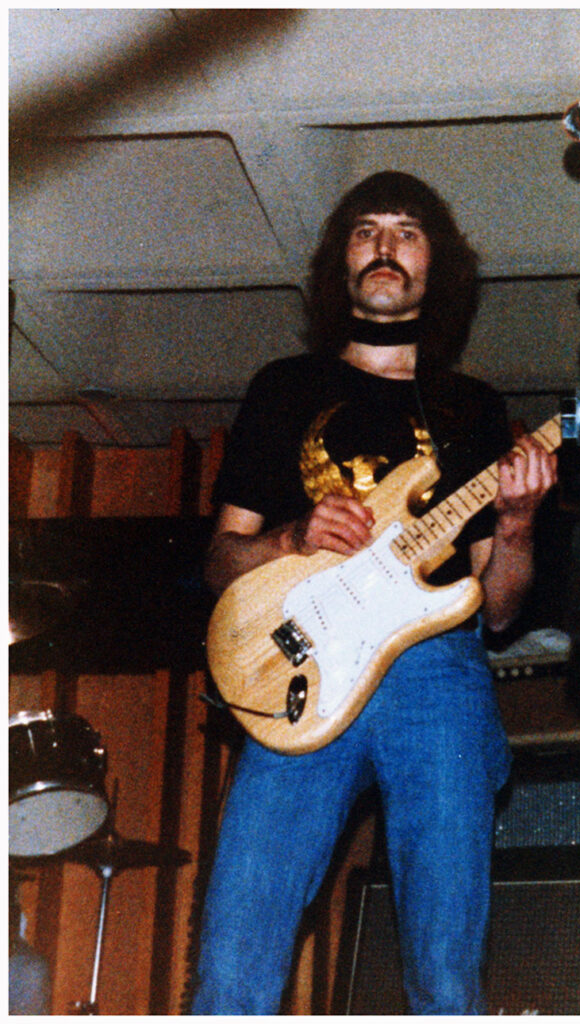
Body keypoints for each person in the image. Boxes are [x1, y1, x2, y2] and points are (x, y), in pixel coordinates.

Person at [192, 170, 558, 1014]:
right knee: (235, 960)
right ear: (340, 262)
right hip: (301, 669)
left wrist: (518, 528)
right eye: (366, 230)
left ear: (440, 267)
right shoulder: (284, 387)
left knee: (444, 967)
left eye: (407, 231)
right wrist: (289, 538)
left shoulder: (471, 408)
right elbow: (219, 559)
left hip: (435, 674)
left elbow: (496, 609)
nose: (385, 246)